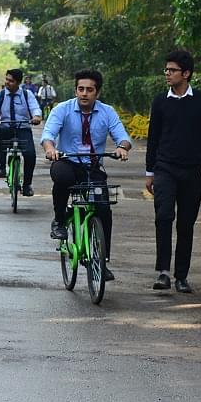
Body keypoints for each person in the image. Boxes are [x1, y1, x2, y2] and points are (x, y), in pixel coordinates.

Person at [144, 49, 201, 293]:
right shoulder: (160, 101)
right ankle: (163, 272)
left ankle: (181, 276)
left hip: (193, 171)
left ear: (186, 73)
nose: (167, 74)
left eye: (173, 70)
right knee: (164, 216)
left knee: (186, 224)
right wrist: (149, 172)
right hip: (165, 168)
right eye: (166, 70)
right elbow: (153, 138)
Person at [42, 69, 132, 281]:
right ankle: (59, 221)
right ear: (75, 90)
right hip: (68, 162)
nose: (84, 93)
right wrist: (50, 148)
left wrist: (122, 147)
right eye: (80, 89)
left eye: (89, 90)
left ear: (97, 93)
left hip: (93, 167)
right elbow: (48, 134)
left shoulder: (107, 112)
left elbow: (123, 137)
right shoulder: (62, 109)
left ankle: (102, 261)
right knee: (62, 177)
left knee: (103, 209)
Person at [0, 68, 42, 195]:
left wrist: (36, 117)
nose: (7, 82)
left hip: (23, 128)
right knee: (1, 138)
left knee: (30, 155)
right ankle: (2, 167)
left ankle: (27, 185)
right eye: (7, 79)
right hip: (5, 127)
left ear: (18, 82)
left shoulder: (27, 94)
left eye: (11, 81)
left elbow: (35, 109)